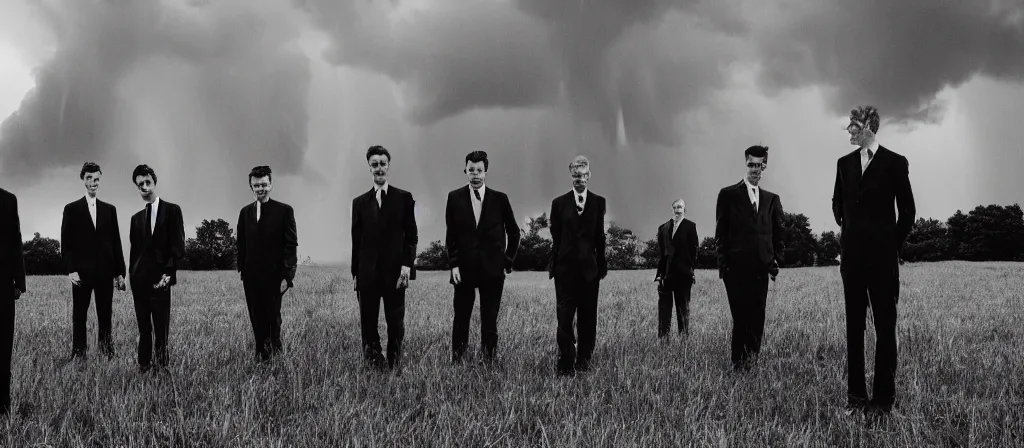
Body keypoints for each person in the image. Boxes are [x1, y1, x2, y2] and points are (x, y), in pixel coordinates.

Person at [832, 105, 915, 414]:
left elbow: (908, 211)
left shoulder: (895, 162)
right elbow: (836, 203)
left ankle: (882, 402)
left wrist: (889, 245)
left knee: (884, 328)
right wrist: (851, 229)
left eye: (853, 127)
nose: (849, 132)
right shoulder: (843, 163)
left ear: (868, 128)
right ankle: (855, 399)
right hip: (851, 261)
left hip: (883, 262)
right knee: (854, 329)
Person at [444, 150, 521, 364]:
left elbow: (514, 233)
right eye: (471, 170)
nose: (475, 174)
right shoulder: (454, 197)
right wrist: (454, 265)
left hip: (492, 270)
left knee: (489, 319)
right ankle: (457, 361)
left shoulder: (500, 199)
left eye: (479, 170)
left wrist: (507, 261)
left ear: (486, 171)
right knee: (461, 318)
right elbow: (451, 236)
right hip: (463, 270)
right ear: (465, 171)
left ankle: (489, 361)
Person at [715, 145, 784, 371]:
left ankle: (752, 365)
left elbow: (778, 233)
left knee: (757, 318)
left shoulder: (771, 199)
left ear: (764, 165)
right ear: (745, 163)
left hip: (761, 269)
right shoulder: (728, 195)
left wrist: (775, 261)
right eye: (751, 164)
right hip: (735, 270)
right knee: (741, 318)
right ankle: (737, 365)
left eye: (759, 165)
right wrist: (724, 267)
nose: (755, 169)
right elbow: (720, 234)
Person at [351, 145, 418, 370]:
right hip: (367, 274)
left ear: (388, 165)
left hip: (396, 275)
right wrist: (355, 273)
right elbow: (356, 241)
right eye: (374, 164)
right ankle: (373, 362)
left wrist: (407, 267)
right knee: (368, 323)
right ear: (369, 167)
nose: (379, 168)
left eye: (382, 163)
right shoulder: (359, 203)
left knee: (396, 324)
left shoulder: (404, 198)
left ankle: (395, 364)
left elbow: (412, 236)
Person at [60, 162, 126, 359]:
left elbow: (116, 243)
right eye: (89, 178)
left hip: (106, 272)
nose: (93, 182)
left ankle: (106, 352)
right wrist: (71, 269)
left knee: (105, 314)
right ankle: (79, 354)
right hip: (81, 273)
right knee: (79, 315)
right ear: (83, 179)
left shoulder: (110, 210)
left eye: (96, 179)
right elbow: (67, 243)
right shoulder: (71, 209)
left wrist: (120, 272)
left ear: (100, 180)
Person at [548, 155, 607, 376]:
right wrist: (558, 262)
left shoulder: (599, 202)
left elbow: (600, 236)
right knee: (564, 318)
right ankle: (565, 364)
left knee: (588, 318)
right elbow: (556, 235)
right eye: (575, 175)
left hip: (590, 272)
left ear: (589, 175)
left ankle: (584, 361)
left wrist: (601, 266)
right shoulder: (558, 203)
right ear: (571, 175)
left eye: (583, 175)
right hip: (564, 271)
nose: (579, 179)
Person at [236, 165, 298, 362]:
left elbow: (291, 245)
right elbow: (241, 243)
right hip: (250, 277)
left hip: (274, 277)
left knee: (273, 318)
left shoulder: (284, 211)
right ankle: (260, 355)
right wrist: (242, 270)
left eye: (263, 184)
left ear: (270, 185)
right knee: (256, 318)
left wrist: (287, 277)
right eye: (256, 185)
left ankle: (275, 356)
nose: (260, 189)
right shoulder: (245, 213)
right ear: (250, 187)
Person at [128, 164, 185, 373]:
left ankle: (162, 368)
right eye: (140, 184)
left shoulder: (172, 210)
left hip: (161, 281)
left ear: (154, 182)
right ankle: (143, 365)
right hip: (139, 282)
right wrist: (131, 276)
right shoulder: (135, 219)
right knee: (144, 328)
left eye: (147, 182)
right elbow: (134, 252)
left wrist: (168, 276)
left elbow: (178, 247)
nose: (144, 187)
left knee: (161, 329)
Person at [654, 198, 698, 338]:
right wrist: (659, 274)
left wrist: (691, 271)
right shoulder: (663, 228)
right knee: (664, 310)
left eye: (680, 207)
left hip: (684, 275)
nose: (678, 210)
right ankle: (663, 339)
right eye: (675, 207)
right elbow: (662, 254)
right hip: (666, 276)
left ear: (684, 210)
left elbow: (694, 252)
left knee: (683, 309)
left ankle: (684, 339)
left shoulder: (691, 226)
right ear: (672, 209)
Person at [0, 187, 25, 416]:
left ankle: (4, 405)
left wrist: (19, 281)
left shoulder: (9, 200)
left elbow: (16, 239)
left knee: (4, 347)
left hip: (3, 286)